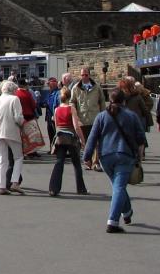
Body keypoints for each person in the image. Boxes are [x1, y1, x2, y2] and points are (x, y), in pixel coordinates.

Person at [83, 90, 145, 233]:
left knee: (118, 186)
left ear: (109, 100)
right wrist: (139, 157)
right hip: (125, 155)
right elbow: (141, 139)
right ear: (124, 101)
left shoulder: (102, 116)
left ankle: (127, 211)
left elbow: (92, 137)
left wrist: (86, 156)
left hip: (105, 157)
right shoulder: (132, 116)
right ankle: (113, 221)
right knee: (119, 187)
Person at [48, 86, 87, 196]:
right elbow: (76, 126)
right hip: (71, 138)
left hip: (60, 138)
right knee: (76, 163)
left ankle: (53, 188)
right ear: (69, 97)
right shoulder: (71, 108)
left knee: (59, 162)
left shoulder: (56, 110)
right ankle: (81, 188)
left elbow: (56, 126)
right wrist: (82, 140)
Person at [0, 80, 24, 195]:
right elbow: (18, 117)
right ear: (13, 90)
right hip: (12, 131)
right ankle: (14, 182)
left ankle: (1, 186)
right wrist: (22, 123)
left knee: (1, 160)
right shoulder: (14, 99)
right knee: (18, 157)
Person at [71, 67, 106, 170]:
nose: (84, 77)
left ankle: (95, 162)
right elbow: (72, 101)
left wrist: (103, 115)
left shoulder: (97, 87)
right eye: (82, 75)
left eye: (86, 75)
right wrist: (74, 114)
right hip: (82, 119)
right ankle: (88, 161)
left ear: (89, 75)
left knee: (96, 142)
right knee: (85, 142)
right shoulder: (76, 88)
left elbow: (102, 101)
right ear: (80, 76)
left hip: (95, 118)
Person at [40, 77, 61, 144]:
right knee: (50, 133)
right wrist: (42, 103)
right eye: (48, 84)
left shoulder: (58, 93)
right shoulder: (48, 93)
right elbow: (44, 102)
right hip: (49, 117)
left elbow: (58, 104)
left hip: (55, 117)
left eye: (50, 84)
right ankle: (52, 148)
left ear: (55, 84)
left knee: (56, 133)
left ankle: (57, 148)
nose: (49, 85)